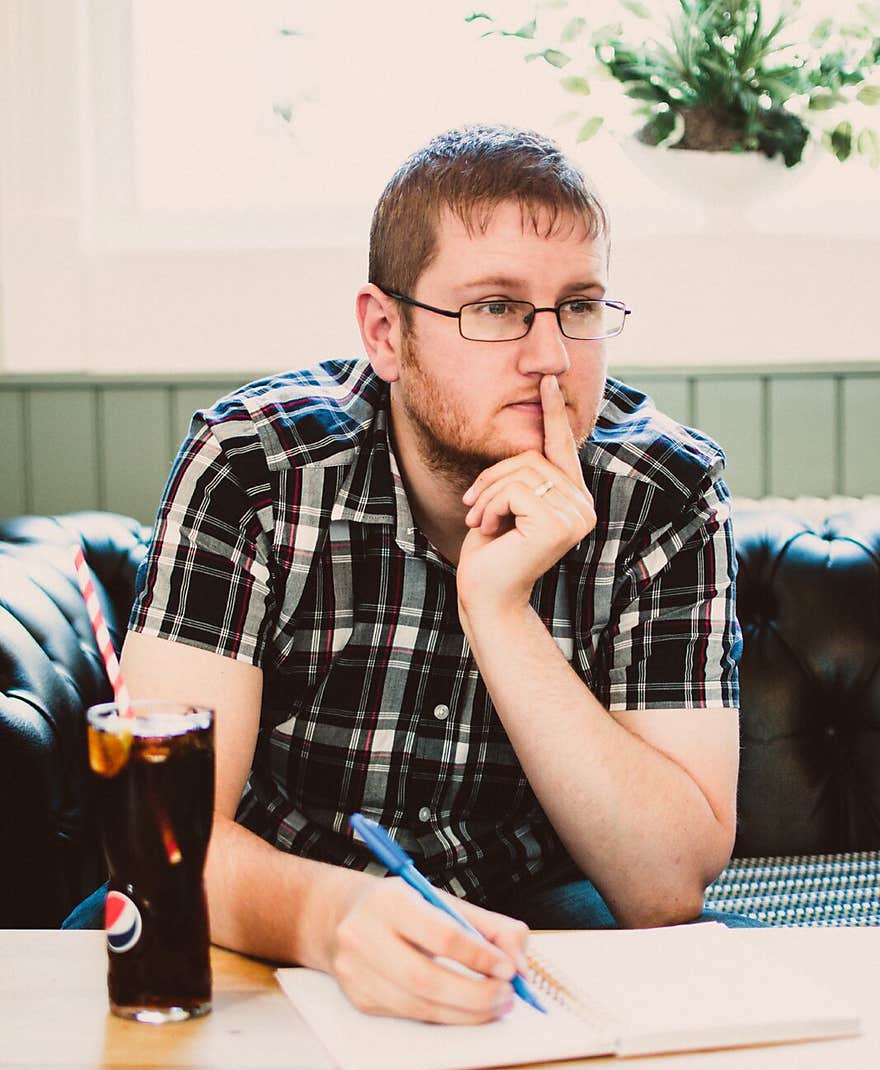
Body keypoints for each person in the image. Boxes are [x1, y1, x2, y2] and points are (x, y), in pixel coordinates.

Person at [66, 124, 752, 1020]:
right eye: (495, 308)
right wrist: (332, 916)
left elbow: (663, 891)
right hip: (275, 902)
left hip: (537, 909)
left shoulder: (668, 491)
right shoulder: (253, 467)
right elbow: (166, 837)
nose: (550, 357)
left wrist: (500, 613)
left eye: (579, 307)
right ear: (385, 334)